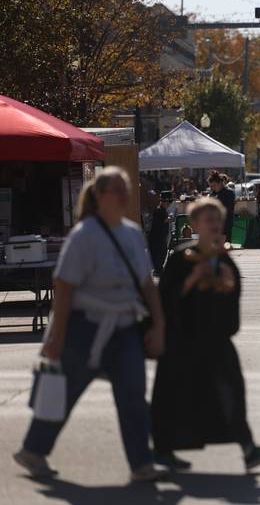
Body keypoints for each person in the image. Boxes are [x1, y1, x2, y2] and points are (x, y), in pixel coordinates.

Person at [14, 167, 168, 482]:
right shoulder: (84, 236)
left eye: (127, 190)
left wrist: (160, 325)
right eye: (118, 190)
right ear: (99, 196)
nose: (125, 196)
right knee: (63, 393)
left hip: (124, 327)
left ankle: (142, 464)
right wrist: (57, 336)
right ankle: (33, 449)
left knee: (132, 394)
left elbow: (146, 284)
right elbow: (64, 286)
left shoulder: (132, 232)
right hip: (84, 329)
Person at [151, 197, 260, 471]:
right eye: (207, 220)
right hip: (182, 341)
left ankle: (248, 449)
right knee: (173, 395)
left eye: (216, 220)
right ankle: (163, 450)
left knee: (232, 390)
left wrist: (229, 283)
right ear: (195, 223)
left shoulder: (224, 261)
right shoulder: (181, 258)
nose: (213, 225)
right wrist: (192, 277)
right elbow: (165, 299)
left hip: (215, 340)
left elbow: (231, 305)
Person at [147, 191, 172, 276]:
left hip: (161, 237)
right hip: (157, 238)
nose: (168, 204)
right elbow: (157, 224)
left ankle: (158, 269)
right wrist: (165, 220)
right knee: (159, 254)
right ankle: (157, 270)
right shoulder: (158, 211)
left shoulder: (163, 210)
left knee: (163, 253)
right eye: (166, 202)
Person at [208, 171, 235, 242]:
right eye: (211, 186)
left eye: (214, 186)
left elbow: (226, 209)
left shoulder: (229, 193)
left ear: (220, 183)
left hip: (224, 226)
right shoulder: (213, 194)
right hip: (213, 226)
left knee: (223, 248)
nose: (212, 188)